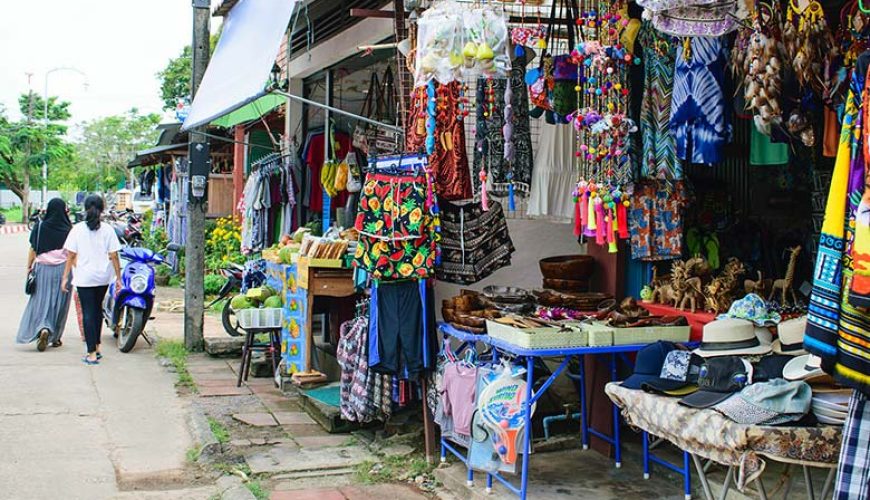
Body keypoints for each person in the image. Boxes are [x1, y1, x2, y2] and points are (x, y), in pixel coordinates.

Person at [62, 195, 122, 365]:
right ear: (102, 209)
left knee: (88, 312)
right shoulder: (108, 230)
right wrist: (118, 277)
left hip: (84, 278)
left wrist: (65, 277)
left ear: (85, 207)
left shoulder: (77, 229)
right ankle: (96, 346)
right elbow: (114, 256)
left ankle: (91, 353)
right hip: (103, 276)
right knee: (97, 310)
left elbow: (70, 255)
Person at [16, 198, 74, 351]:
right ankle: (54, 338)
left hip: (42, 269)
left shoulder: (40, 226)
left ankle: (42, 327)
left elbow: (33, 249)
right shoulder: (69, 229)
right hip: (63, 270)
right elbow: (72, 255)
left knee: (40, 301)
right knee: (60, 303)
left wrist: (29, 267)